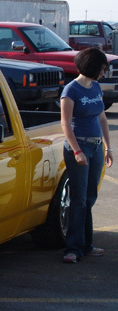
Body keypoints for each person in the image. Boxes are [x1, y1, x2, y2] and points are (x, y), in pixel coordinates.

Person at [60, 47, 113, 263]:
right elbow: (65, 124)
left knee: (90, 197)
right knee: (79, 199)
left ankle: (87, 244)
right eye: (101, 69)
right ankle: (72, 249)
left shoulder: (96, 87)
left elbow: (102, 119)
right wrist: (77, 151)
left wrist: (108, 148)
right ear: (92, 67)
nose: (103, 73)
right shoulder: (71, 91)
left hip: (96, 147)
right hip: (79, 147)